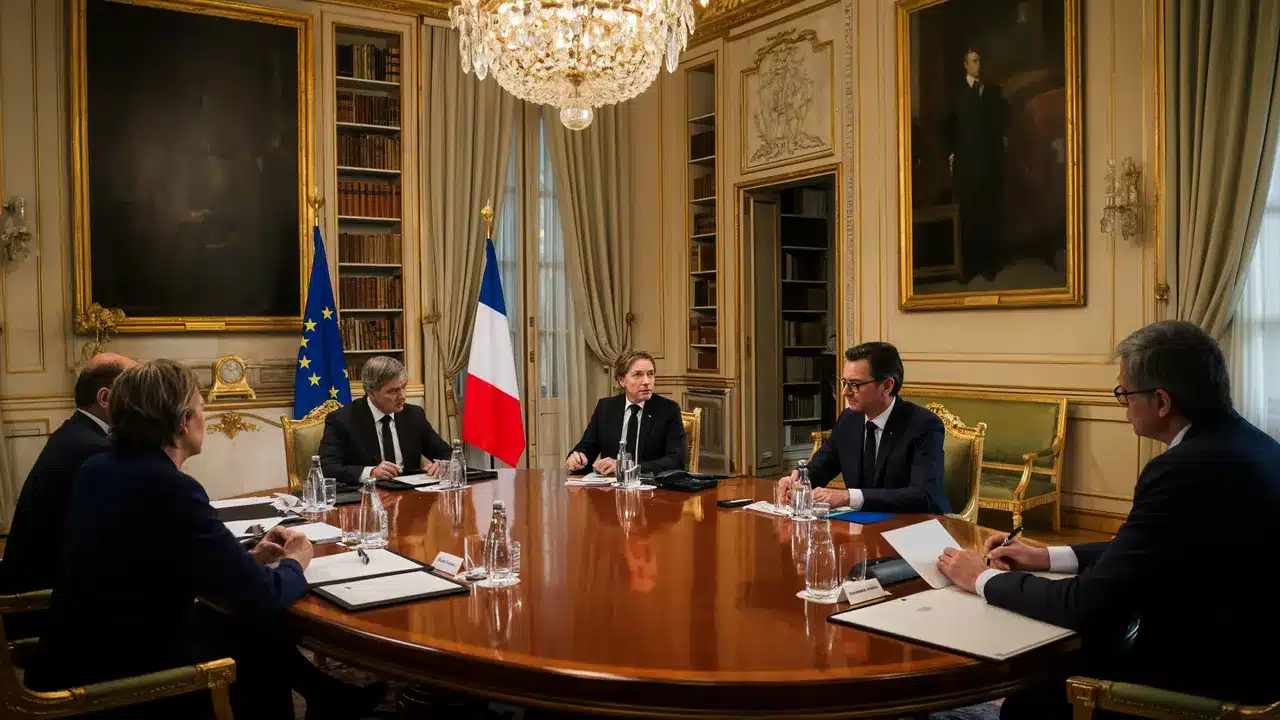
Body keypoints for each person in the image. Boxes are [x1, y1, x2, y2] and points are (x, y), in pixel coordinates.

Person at [937, 321, 1280, 718]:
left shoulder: (1182, 469)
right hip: (1256, 661)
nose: (1124, 406)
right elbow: (1150, 548)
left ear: (1162, 402)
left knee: (1029, 703)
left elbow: (1084, 605)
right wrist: (1046, 556)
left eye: (1124, 393)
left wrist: (981, 578)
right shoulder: (1255, 445)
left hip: (1200, 685)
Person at [27, 359, 384, 718]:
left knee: (245, 625)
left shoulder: (99, 468)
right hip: (125, 672)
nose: (204, 417)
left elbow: (154, 559)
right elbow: (264, 596)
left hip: (79, 649)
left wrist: (250, 557)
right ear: (183, 422)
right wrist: (295, 560)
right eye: (200, 407)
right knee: (258, 629)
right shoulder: (172, 488)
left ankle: (327, 695)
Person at [0, 353, 135, 639]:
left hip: (37, 600)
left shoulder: (76, 432)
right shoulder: (94, 449)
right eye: (137, 389)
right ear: (105, 398)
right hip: (44, 613)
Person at [779, 342, 948, 514]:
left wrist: (848, 497)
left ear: (887, 386)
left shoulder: (924, 425)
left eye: (855, 384)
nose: (845, 392)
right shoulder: (848, 420)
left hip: (912, 524)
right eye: (844, 382)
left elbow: (924, 496)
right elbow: (821, 467)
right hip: (860, 524)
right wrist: (798, 478)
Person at [319, 355, 450, 488]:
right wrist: (371, 473)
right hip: (367, 495)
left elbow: (448, 453)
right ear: (371, 393)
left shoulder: (414, 415)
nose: (403, 396)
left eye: (403, 387)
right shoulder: (342, 420)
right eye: (393, 391)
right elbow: (327, 469)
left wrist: (443, 465)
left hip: (411, 494)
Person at [942, 46, 1007, 283]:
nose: (977, 65)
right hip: (966, 166)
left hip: (988, 165)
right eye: (973, 61)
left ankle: (988, 266)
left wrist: (999, 150)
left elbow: (1001, 124)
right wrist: (952, 155)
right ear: (965, 65)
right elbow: (946, 127)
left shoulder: (991, 92)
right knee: (968, 216)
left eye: (979, 61)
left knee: (987, 214)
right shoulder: (957, 94)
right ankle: (968, 268)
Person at [566, 350, 687, 475]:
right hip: (611, 484)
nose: (646, 381)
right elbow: (587, 448)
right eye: (637, 375)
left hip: (650, 484)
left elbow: (676, 461)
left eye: (650, 374)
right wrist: (578, 458)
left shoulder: (668, 410)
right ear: (622, 380)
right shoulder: (606, 408)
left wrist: (627, 467)